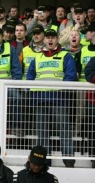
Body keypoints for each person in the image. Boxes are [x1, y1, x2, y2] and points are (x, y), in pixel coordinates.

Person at [27, 29, 77, 167]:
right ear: (43, 40)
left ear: (57, 40)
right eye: (47, 37)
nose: (50, 40)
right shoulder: (37, 57)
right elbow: (29, 77)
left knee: (64, 130)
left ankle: (68, 160)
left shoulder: (66, 56)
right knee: (42, 132)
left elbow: (71, 75)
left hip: (59, 98)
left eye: (53, 38)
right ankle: (44, 161)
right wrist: (32, 92)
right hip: (40, 99)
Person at [84, 56, 95, 168]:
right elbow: (89, 74)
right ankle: (94, 159)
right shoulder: (93, 60)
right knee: (93, 131)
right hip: (93, 102)